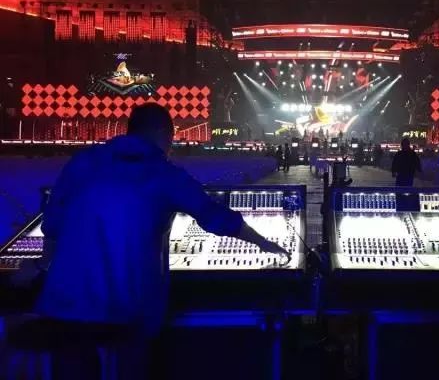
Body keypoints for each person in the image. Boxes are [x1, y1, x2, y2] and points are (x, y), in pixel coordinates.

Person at [24, 103, 288, 379]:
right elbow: (216, 217)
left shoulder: (81, 163)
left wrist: (41, 266)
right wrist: (264, 243)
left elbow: (52, 223)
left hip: (66, 304)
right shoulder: (164, 174)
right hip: (127, 308)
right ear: (164, 134)